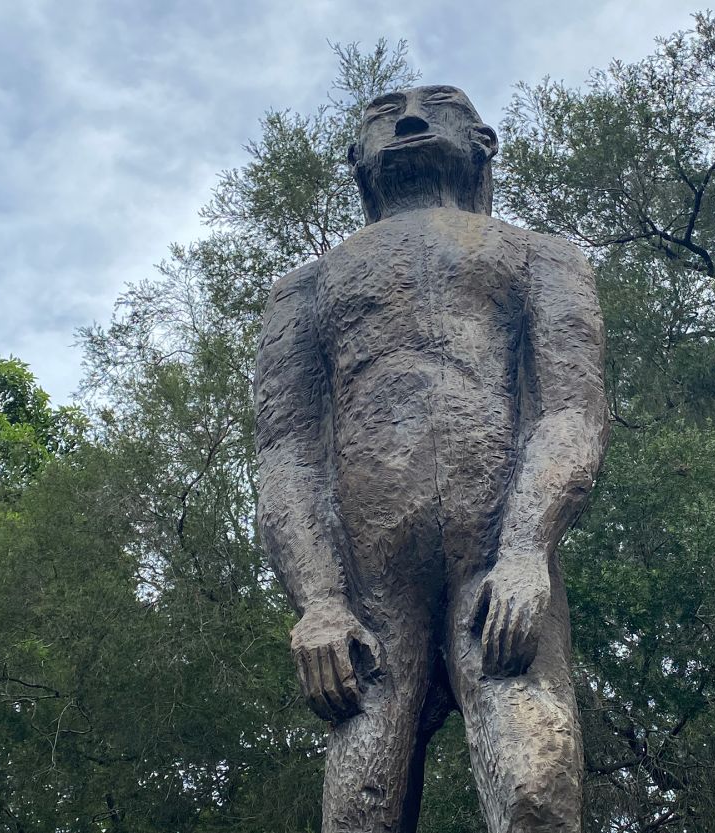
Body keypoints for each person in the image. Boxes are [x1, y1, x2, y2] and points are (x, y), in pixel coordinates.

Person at [254, 85, 609, 833]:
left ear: (484, 144)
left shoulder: (539, 258)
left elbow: (570, 412)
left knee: (533, 788)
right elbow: (286, 455)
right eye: (386, 114)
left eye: (436, 108)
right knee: (358, 808)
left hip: (496, 556)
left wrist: (525, 549)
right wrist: (319, 599)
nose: (411, 121)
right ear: (356, 162)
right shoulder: (305, 289)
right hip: (368, 586)